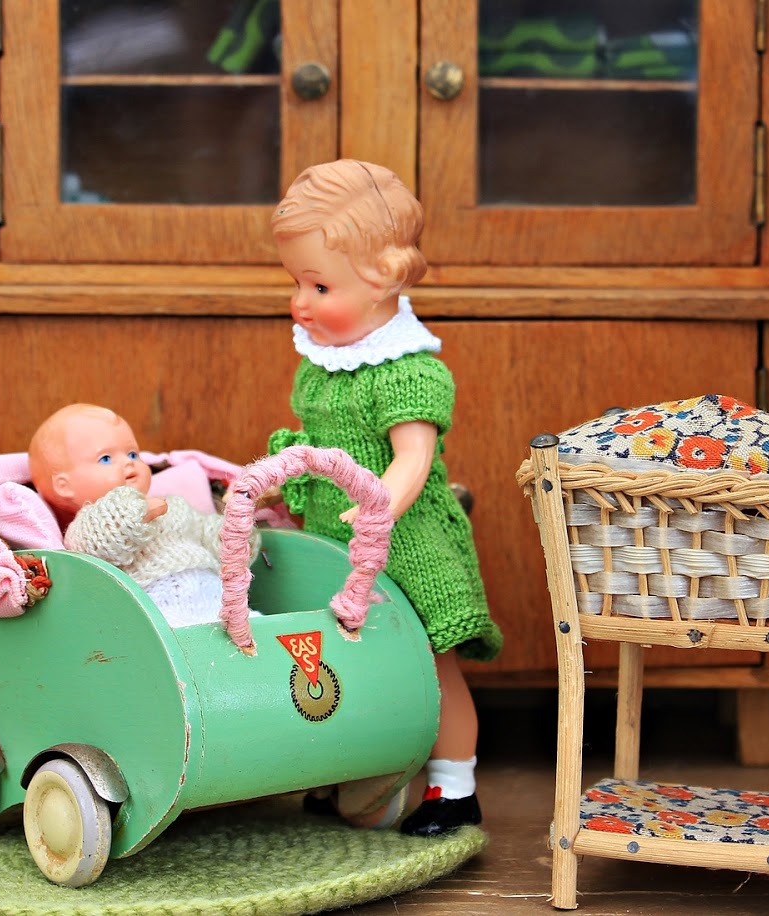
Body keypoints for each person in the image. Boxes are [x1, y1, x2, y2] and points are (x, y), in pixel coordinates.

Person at [268, 159, 502, 837]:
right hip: (334, 545)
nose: (302, 302)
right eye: (296, 283)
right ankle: (357, 769)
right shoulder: (321, 365)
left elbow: (413, 458)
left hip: (407, 547)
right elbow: (316, 441)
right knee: (346, 660)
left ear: (383, 280)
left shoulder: (409, 371)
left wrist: (380, 503)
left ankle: (454, 787)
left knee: (432, 665)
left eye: (319, 285)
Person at [29, 403, 252, 628]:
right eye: (106, 459)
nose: (129, 462)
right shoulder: (86, 523)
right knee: (185, 640)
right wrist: (132, 514)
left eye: (133, 454)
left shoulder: (175, 504)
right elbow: (100, 541)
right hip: (156, 606)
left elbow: (206, 533)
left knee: (260, 630)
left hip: (216, 594)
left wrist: (234, 531)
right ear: (64, 486)